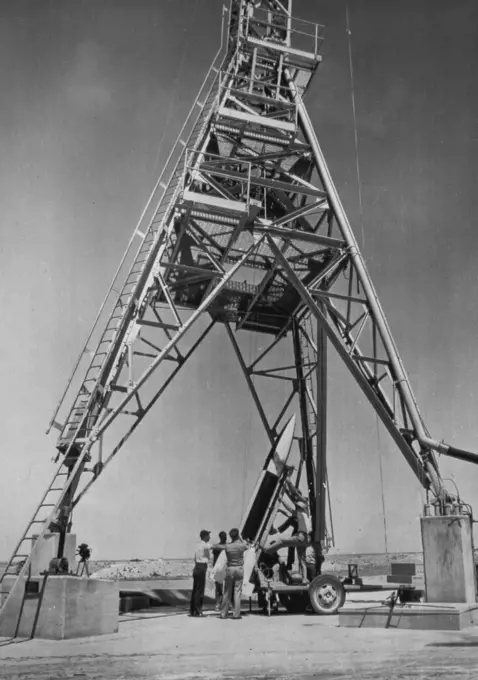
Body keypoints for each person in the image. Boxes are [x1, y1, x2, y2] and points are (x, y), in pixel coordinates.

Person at [216, 528, 249, 620]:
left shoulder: (228, 546)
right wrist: (240, 538)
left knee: (227, 592)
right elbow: (248, 546)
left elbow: (220, 548)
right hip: (239, 569)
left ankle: (223, 614)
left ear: (230, 536)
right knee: (237, 592)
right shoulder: (242, 546)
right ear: (238, 535)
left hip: (230, 568)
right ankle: (236, 614)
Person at [189, 529, 211, 617]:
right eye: (208, 535)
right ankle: (198, 610)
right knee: (200, 590)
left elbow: (195, 557)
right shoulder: (205, 546)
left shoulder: (197, 546)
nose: (209, 537)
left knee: (195, 590)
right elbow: (207, 558)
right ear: (205, 537)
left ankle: (193, 610)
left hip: (197, 566)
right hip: (202, 567)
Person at [212, 531, 227, 612]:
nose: (224, 538)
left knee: (222, 588)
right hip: (220, 570)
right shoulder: (217, 547)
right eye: (223, 536)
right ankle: (218, 604)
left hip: (224, 569)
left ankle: (221, 604)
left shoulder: (217, 547)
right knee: (219, 588)